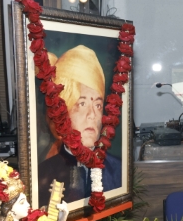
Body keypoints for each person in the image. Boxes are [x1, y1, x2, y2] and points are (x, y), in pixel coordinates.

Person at [37, 45, 122, 207]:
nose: (92, 115)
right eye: (82, 104)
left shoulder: (118, 169)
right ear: (63, 111)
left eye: (98, 105)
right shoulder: (43, 174)